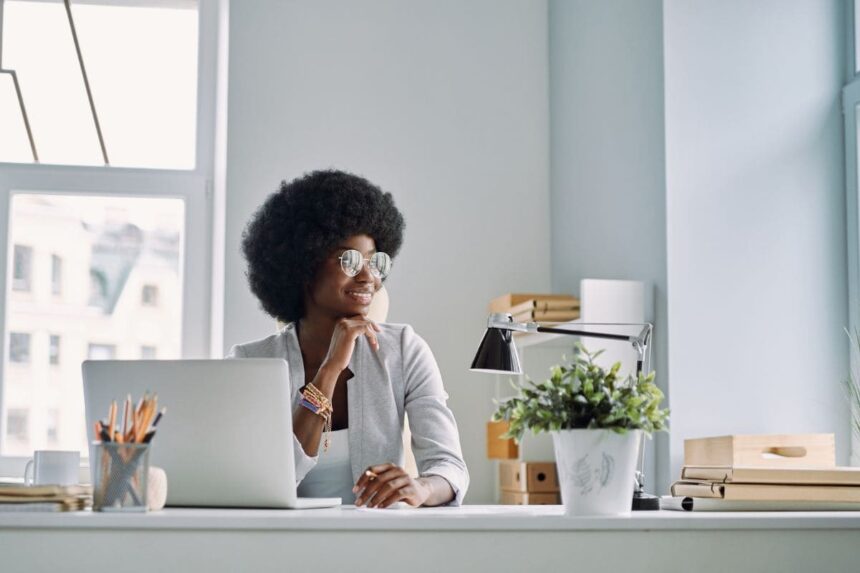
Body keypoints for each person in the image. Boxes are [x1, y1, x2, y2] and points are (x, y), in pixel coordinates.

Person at [229, 169, 468, 507]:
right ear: (304, 265)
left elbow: (450, 468)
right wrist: (330, 369)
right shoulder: (251, 363)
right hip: (280, 544)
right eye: (351, 260)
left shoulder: (404, 349)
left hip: (376, 543)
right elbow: (265, 480)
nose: (369, 276)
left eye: (376, 262)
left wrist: (421, 488)